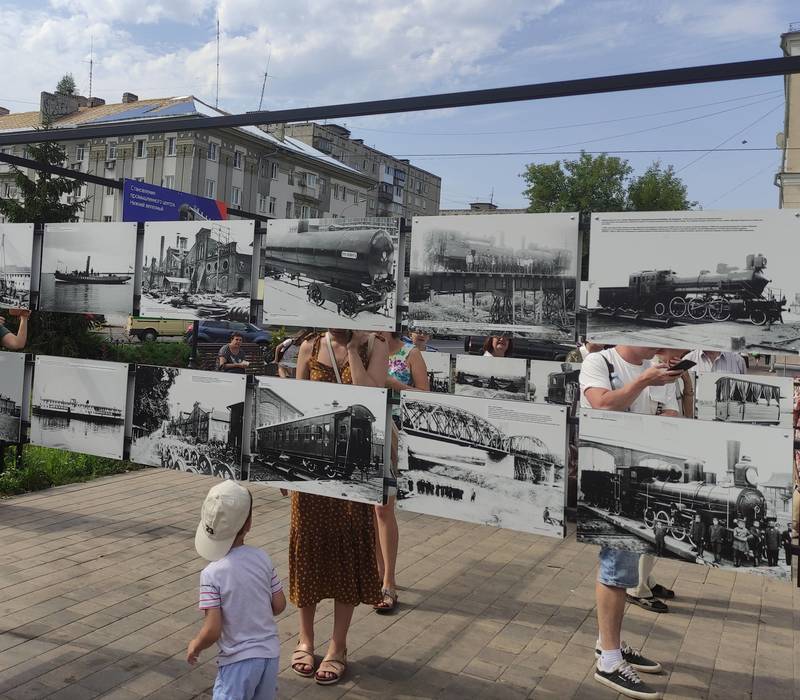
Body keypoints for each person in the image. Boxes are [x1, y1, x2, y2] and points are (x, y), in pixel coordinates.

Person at [290, 329, 388, 685]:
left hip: (350, 478)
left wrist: (353, 351)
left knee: (347, 551)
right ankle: (305, 639)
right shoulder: (309, 346)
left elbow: (374, 396)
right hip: (311, 475)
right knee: (308, 550)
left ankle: (338, 646)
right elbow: (296, 398)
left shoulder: (374, 346)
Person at [580, 345, 678, 699]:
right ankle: (608, 660)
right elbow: (602, 404)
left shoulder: (659, 368)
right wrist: (644, 381)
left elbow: (672, 414)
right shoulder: (599, 361)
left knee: (627, 565)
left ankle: (610, 643)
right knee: (616, 568)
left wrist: (663, 405)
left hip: (645, 480)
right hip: (610, 480)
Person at [187, 481, 286, 700]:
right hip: (269, 656)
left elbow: (213, 630)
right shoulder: (262, 558)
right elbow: (279, 605)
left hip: (237, 662)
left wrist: (196, 644)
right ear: (248, 523)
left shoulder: (211, 574)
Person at [372, 331, 430, 615]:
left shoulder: (410, 353)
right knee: (369, 509)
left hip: (395, 435)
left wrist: (394, 384)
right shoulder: (364, 349)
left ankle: (388, 581)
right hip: (367, 433)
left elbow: (425, 395)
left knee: (383, 509)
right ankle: (377, 573)